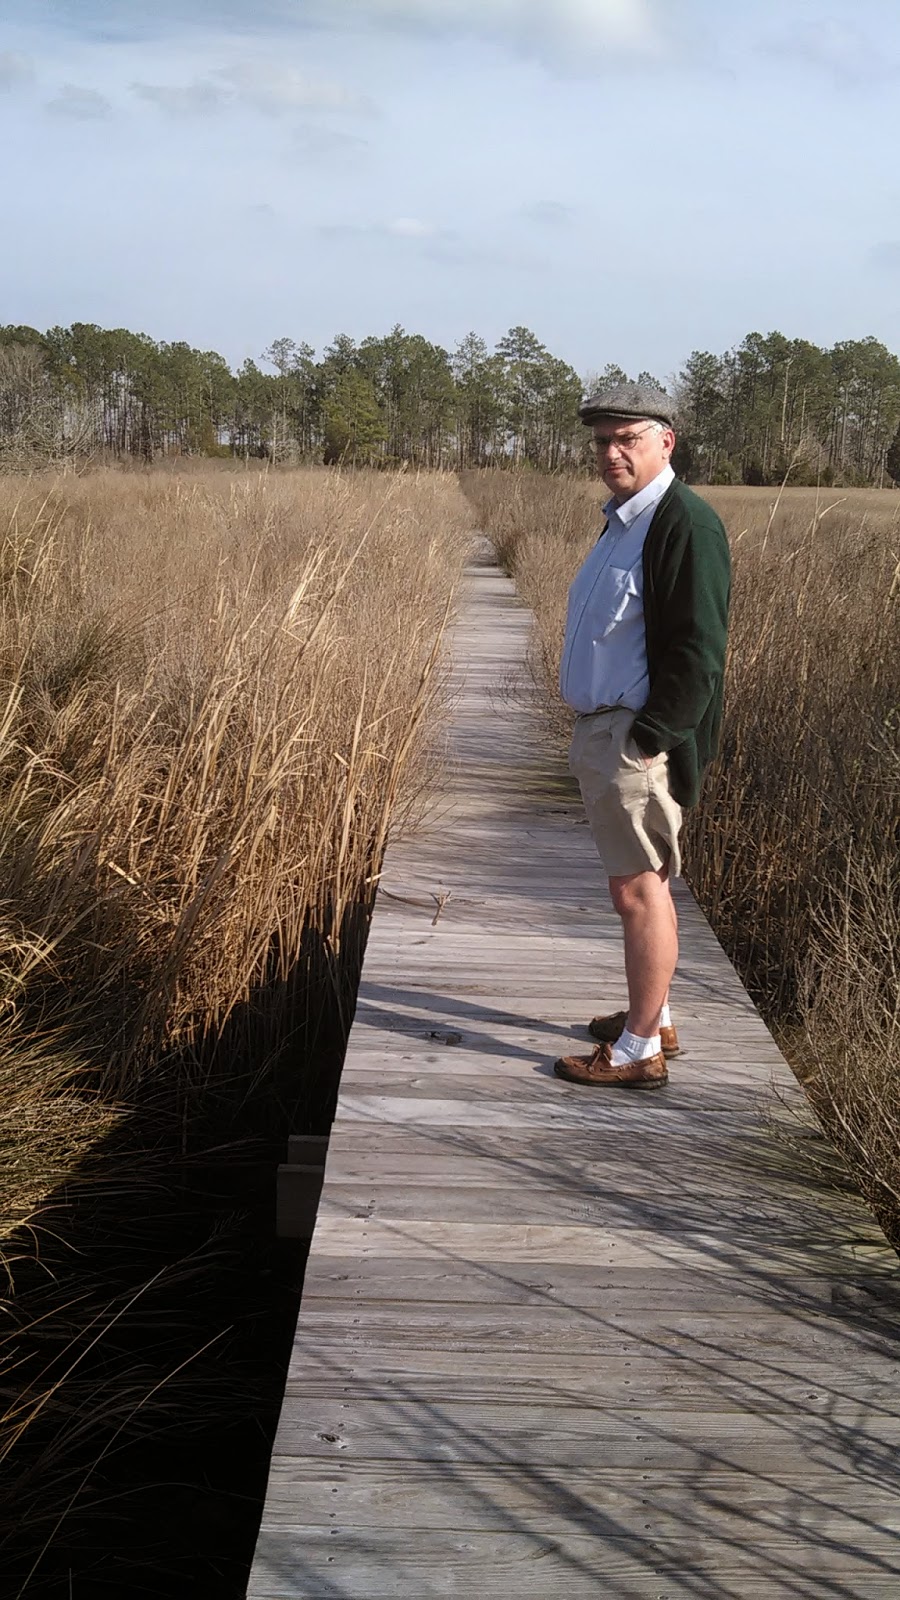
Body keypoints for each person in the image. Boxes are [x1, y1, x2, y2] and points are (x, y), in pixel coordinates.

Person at [553, 382, 731, 1090]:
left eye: (627, 438)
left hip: (635, 738)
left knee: (637, 891)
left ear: (666, 440)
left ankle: (638, 1051)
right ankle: (655, 1016)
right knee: (643, 884)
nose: (611, 452)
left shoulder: (684, 523)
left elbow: (699, 650)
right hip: (609, 732)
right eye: (603, 441)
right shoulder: (624, 521)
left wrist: (651, 737)